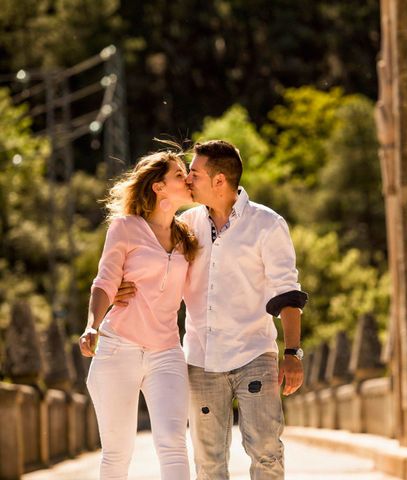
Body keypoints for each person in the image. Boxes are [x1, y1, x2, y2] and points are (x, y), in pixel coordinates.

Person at [115, 140, 307, 480]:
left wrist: (292, 352)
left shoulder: (267, 224)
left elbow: (287, 292)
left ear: (219, 181)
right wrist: (120, 285)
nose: (188, 179)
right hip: (201, 359)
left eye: (194, 173)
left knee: (266, 452)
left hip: (255, 355)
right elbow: (153, 266)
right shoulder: (185, 227)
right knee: (208, 461)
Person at [78, 150, 198, 480]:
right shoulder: (125, 228)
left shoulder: (187, 236)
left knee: (174, 445)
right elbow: (104, 281)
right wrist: (92, 325)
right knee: (117, 454)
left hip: (167, 353)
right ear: (158, 187)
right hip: (119, 350)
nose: (187, 179)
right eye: (179, 174)